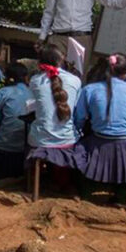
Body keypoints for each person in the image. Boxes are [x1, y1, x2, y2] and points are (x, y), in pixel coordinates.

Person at [73, 53, 126, 204]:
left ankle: (86, 193)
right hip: (124, 143)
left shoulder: (89, 89)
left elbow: (79, 118)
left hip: (97, 140)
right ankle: (120, 197)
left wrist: (81, 130)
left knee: (80, 152)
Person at [27, 46, 85, 194]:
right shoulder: (76, 81)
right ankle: (62, 182)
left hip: (40, 140)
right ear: (62, 60)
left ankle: (33, 181)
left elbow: (29, 107)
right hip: (67, 139)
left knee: (29, 129)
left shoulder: (35, 81)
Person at [0, 62, 31, 181]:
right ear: (26, 78)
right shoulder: (34, 93)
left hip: (3, 146)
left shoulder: (4, 92)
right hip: (25, 148)